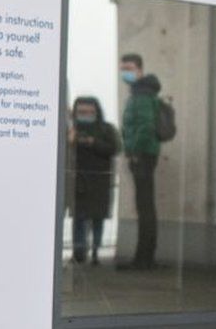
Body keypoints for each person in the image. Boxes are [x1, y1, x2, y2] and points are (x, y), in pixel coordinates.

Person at [119, 53, 161, 270]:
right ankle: (144, 257)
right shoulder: (139, 92)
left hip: (142, 156)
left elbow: (145, 125)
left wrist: (134, 151)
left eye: (129, 68)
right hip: (143, 154)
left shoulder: (143, 95)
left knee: (145, 207)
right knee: (145, 206)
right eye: (122, 68)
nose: (124, 72)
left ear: (139, 70)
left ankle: (144, 258)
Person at [67, 97, 120, 265]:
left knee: (98, 218)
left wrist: (93, 142)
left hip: (100, 181)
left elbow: (115, 148)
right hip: (79, 180)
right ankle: (79, 252)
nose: (86, 115)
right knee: (79, 219)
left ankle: (96, 251)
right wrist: (72, 140)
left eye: (89, 112)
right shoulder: (71, 129)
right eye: (81, 112)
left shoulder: (106, 129)